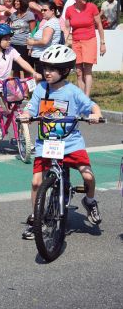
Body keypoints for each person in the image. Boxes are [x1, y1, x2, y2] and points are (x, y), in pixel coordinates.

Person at [21, 45, 103, 240]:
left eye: (52, 69)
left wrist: (96, 114)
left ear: (65, 70)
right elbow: (31, 108)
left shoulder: (72, 91)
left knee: (89, 177)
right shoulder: (41, 89)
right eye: (45, 68)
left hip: (71, 143)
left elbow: (91, 105)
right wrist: (26, 114)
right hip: (46, 144)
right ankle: (37, 218)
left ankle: (90, 201)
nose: (46, 72)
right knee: (36, 182)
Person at [0, 24, 41, 153]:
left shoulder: (11, 50)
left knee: (15, 111)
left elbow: (22, 62)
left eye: (9, 38)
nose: (9, 41)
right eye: (6, 39)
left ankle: (24, 138)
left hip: (7, 85)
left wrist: (33, 72)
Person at [65, 0, 106, 97]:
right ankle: (81, 97)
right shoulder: (69, 10)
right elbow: (67, 29)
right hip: (76, 42)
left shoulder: (92, 7)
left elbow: (99, 26)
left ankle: (86, 98)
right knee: (78, 72)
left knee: (87, 70)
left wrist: (102, 43)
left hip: (90, 40)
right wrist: (64, 43)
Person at [27, 1, 61, 75]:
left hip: (43, 57)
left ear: (52, 11)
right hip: (42, 56)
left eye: (45, 10)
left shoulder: (51, 23)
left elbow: (44, 41)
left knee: (43, 82)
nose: (42, 12)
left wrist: (32, 43)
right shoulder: (51, 22)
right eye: (42, 10)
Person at [9, 0, 36, 78]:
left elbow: (33, 32)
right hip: (13, 45)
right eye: (15, 1)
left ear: (23, 2)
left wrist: (30, 47)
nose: (15, 2)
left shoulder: (29, 15)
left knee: (26, 70)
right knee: (15, 70)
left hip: (24, 45)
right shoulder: (13, 15)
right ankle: (17, 89)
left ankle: (27, 90)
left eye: (18, 1)